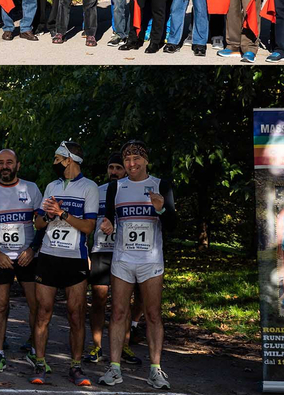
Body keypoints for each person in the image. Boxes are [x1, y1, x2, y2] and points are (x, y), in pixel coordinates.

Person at [98, 140, 177, 390]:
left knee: (153, 314)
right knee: (119, 313)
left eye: (136, 159)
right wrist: (108, 225)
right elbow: (110, 218)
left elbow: (174, 226)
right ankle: (114, 368)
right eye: (127, 160)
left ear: (146, 161)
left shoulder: (161, 185)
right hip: (122, 260)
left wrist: (162, 210)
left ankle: (156, 370)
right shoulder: (115, 187)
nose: (131, 164)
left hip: (150, 261)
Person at [30, 141, 99, 387]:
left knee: (75, 315)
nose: (54, 163)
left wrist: (62, 214)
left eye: (58, 158)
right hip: (49, 257)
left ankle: (76, 367)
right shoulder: (52, 186)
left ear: (69, 160)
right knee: (43, 312)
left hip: (75, 259)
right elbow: (37, 223)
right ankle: (39, 363)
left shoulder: (89, 188)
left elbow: (89, 227)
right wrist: (48, 215)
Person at [0, 148, 42, 373]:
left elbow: (42, 224)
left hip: (27, 257)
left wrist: (33, 249)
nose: (4, 166)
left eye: (9, 162)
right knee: (0, 305)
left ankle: (36, 350)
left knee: (36, 304)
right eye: (1, 163)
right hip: (0, 257)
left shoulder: (31, 189)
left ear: (17, 165)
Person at [86, 154, 141, 367]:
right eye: (111, 167)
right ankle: (97, 346)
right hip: (101, 251)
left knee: (122, 304)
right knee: (99, 300)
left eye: (119, 168)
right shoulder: (97, 191)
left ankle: (124, 345)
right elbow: (87, 222)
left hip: (126, 253)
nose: (114, 172)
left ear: (126, 171)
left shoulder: (132, 191)